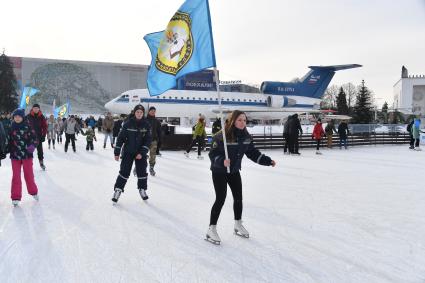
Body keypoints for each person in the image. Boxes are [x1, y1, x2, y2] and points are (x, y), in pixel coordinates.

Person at [206, 110, 276, 245]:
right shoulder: (221, 136)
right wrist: (221, 161)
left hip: (233, 171)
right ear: (233, 120)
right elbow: (212, 155)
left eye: (244, 120)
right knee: (220, 198)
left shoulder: (246, 137)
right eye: (239, 120)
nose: (243, 122)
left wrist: (267, 161)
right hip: (219, 171)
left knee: (238, 198)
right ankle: (211, 229)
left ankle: (238, 224)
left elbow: (253, 153)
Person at [111, 105, 152, 203]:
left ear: (143, 113)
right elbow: (120, 138)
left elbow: (148, 140)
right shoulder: (128, 123)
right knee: (124, 171)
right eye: (137, 112)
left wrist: (142, 153)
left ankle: (142, 189)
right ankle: (118, 190)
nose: (139, 114)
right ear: (134, 112)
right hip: (128, 152)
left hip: (140, 153)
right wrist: (117, 152)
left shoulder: (146, 125)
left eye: (141, 112)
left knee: (142, 171)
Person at [7, 109, 39, 206]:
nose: (17, 118)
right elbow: (7, 140)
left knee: (28, 175)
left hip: (27, 156)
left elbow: (35, 139)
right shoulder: (11, 127)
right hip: (15, 156)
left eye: (19, 116)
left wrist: (32, 146)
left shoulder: (28, 126)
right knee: (16, 176)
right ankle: (15, 197)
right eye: (15, 116)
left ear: (22, 117)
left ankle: (33, 192)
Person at [26, 104, 47, 170]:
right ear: (32, 109)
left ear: (39, 109)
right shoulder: (28, 116)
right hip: (30, 137)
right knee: (30, 150)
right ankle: (29, 164)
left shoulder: (41, 116)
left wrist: (44, 135)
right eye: (34, 108)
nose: (36, 109)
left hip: (38, 137)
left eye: (37, 108)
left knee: (40, 150)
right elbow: (24, 126)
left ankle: (41, 163)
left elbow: (45, 126)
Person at [146, 106, 161, 176]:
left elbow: (159, 131)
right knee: (142, 154)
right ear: (149, 111)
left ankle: (151, 168)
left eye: (154, 111)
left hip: (153, 141)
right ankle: (138, 167)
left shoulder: (157, 121)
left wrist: (159, 139)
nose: (153, 112)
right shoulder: (145, 119)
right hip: (145, 141)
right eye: (151, 110)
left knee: (153, 155)